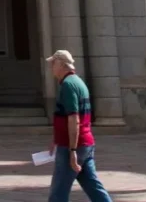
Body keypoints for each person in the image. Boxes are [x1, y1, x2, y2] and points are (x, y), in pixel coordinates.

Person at [46, 50, 113, 202]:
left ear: (60, 64)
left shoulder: (68, 85)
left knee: (58, 192)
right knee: (92, 186)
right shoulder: (78, 82)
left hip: (72, 145)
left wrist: (72, 150)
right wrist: (55, 140)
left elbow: (74, 118)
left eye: (53, 64)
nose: (52, 68)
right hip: (86, 142)